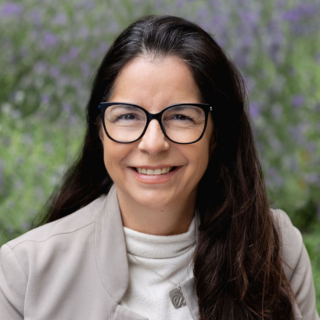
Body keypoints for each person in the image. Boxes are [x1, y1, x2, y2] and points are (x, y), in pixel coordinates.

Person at [0, 15, 318, 320]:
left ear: (215, 133)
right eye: (127, 116)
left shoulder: (275, 248)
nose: (153, 144)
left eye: (180, 116)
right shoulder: (25, 272)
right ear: (99, 130)